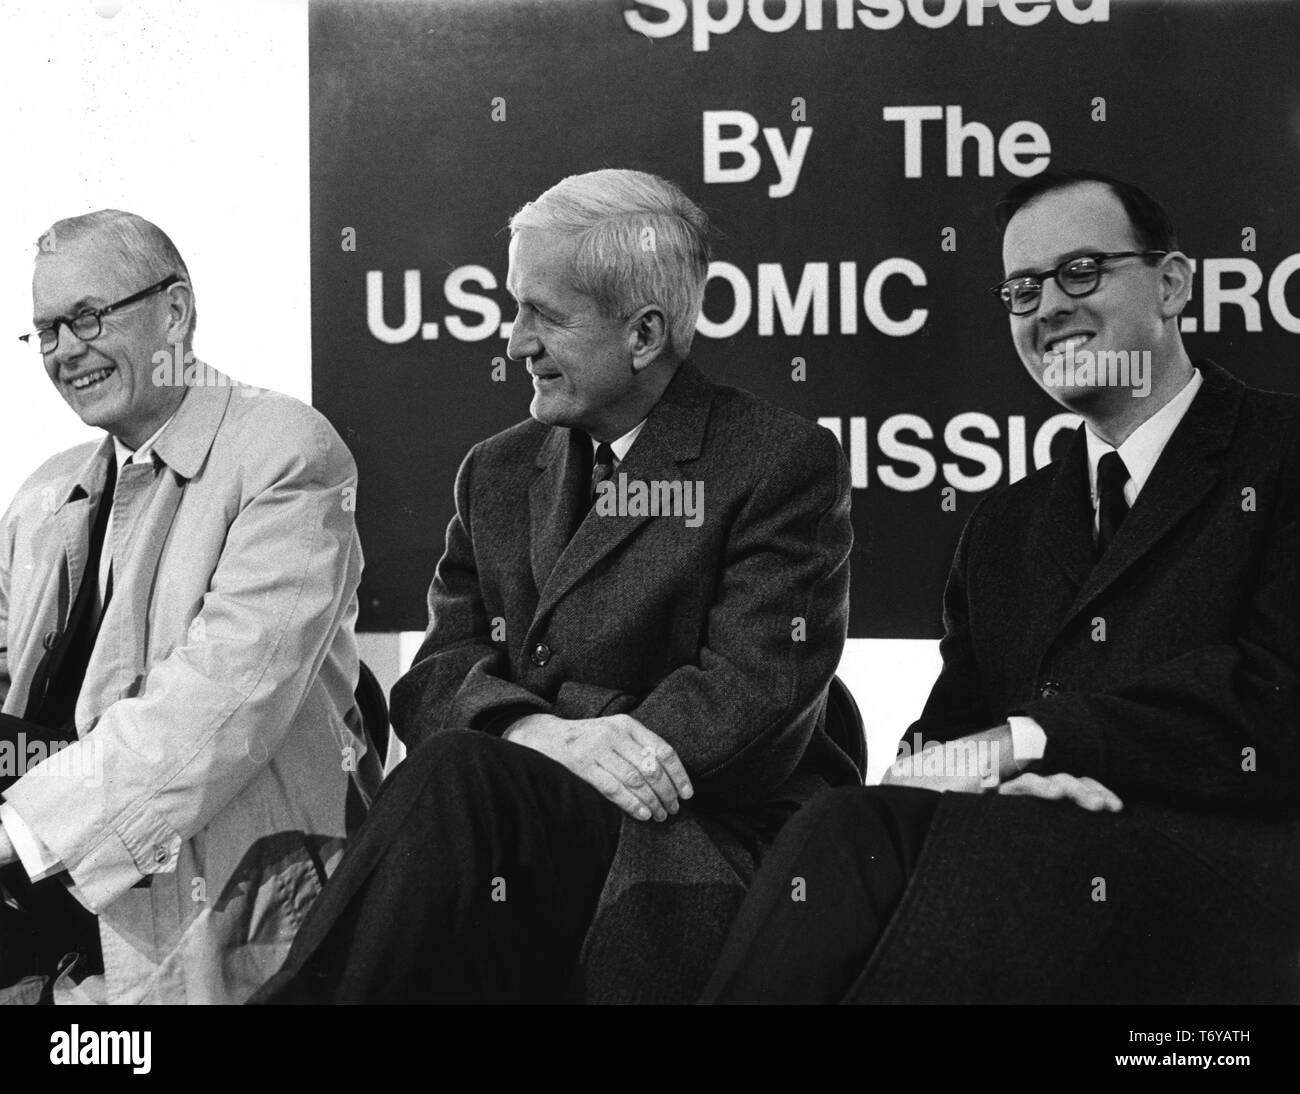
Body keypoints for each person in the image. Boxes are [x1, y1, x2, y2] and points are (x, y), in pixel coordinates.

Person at [252, 168, 857, 1004]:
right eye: (514, 307)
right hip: (524, 827)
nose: (513, 342)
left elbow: (753, 698)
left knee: (458, 776)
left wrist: (539, 734)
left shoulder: (778, 461)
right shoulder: (495, 472)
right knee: (456, 783)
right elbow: (431, 683)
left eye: (546, 315)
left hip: (687, 840)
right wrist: (546, 735)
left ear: (644, 335)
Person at [702, 169, 1300, 1004]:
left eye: (1080, 272)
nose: (1048, 307)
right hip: (1025, 860)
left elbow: (1276, 700)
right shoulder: (1006, 524)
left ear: (1172, 285)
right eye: (1022, 289)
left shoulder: (1282, 453)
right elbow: (950, 735)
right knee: (846, 826)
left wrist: (1039, 741)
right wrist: (992, 771)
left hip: (1232, 889)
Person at [0, 210, 367, 1003]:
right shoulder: (41, 495)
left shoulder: (285, 451)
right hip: (45, 921)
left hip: (218, 925)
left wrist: (22, 829)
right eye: (46, 332)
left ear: (175, 311)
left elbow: (222, 699)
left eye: (88, 317)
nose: (66, 351)